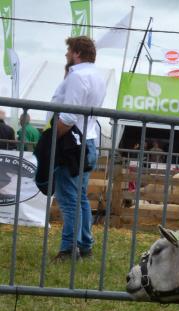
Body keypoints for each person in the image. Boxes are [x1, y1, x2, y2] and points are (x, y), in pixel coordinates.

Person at [50, 36, 108, 261]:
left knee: (68, 199)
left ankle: (68, 249)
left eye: (68, 50)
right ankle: (85, 245)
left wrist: (51, 138)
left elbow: (68, 116)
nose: (66, 54)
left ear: (76, 53)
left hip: (72, 142)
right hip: (88, 139)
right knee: (79, 197)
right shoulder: (98, 76)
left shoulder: (78, 75)